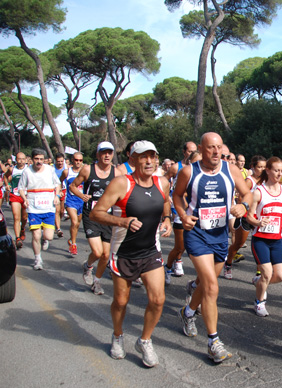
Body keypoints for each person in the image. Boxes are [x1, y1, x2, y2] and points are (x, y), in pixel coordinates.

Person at [90, 140, 172, 368]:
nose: (148, 161)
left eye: (152, 156)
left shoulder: (162, 182)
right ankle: (117, 335)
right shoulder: (120, 183)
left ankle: (144, 340)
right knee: (120, 301)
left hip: (150, 250)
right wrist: (121, 221)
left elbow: (165, 203)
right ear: (133, 159)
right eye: (142, 156)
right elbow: (96, 213)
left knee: (158, 300)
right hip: (123, 252)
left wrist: (167, 219)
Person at [173, 132, 251, 363]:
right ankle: (213, 342)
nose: (216, 152)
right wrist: (181, 215)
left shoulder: (231, 170)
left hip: (220, 236)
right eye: (211, 148)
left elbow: (247, 193)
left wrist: (243, 205)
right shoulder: (189, 171)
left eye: (219, 148)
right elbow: (177, 196)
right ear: (201, 148)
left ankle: (187, 313)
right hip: (197, 234)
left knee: (207, 286)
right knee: (211, 286)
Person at [70, 141, 123, 295]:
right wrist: (82, 196)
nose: (107, 155)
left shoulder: (117, 173)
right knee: (98, 252)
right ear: (98, 154)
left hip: (108, 217)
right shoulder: (88, 170)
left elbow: (124, 191)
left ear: (113, 155)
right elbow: (73, 186)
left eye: (109, 152)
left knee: (106, 255)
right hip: (91, 215)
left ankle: (97, 281)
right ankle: (88, 266)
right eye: (103, 152)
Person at [246, 157, 282, 317]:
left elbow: (280, 212)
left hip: (277, 240)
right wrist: (258, 221)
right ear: (268, 170)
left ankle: (259, 284)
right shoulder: (259, 192)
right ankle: (259, 303)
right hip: (260, 240)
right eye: (276, 170)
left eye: (281, 171)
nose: (279, 174)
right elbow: (249, 216)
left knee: (280, 276)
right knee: (266, 273)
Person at [221, 155, 266, 280]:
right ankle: (228, 264)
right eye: (259, 167)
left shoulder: (266, 181)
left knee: (259, 243)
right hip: (247, 216)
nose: (262, 169)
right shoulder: (249, 181)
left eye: (264, 167)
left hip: (259, 217)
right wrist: (248, 207)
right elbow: (241, 198)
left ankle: (259, 272)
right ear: (252, 167)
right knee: (239, 244)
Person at [18, 149, 61, 270]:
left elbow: (57, 184)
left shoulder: (50, 170)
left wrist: (57, 196)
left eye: (41, 159)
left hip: (48, 207)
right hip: (33, 207)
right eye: (37, 159)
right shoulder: (27, 172)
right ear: (32, 159)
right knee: (35, 236)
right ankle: (37, 259)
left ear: (44, 160)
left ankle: (45, 238)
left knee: (49, 236)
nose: (39, 162)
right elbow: (21, 188)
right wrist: (24, 199)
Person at [164, 141, 198, 280]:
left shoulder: (205, 172)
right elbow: (164, 182)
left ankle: (200, 279)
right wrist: (167, 196)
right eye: (190, 151)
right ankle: (168, 267)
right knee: (180, 246)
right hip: (181, 211)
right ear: (185, 153)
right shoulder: (178, 168)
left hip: (197, 213)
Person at [60, 152, 85, 256]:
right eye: (76, 160)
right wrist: (60, 190)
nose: (78, 162)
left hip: (82, 201)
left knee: (77, 224)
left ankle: (71, 239)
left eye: (80, 160)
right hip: (71, 201)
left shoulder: (85, 171)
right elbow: (59, 181)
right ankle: (73, 245)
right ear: (72, 160)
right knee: (74, 222)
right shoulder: (67, 172)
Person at [3, 152, 28, 249]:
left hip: (25, 195)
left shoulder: (28, 169)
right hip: (15, 195)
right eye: (19, 159)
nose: (21, 161)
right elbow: (5, 176)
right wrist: (7, 185)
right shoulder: (12, 169)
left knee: (24, 218)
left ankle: (22, 229)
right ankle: (17, 238)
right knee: (16, 217)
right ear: (16, 160)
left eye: (23, 159)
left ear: (25, 160)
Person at [53, 153, 66, 238]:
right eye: (58, 161)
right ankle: (58, 228)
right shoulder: (52, 169)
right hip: (55, 190)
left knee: (61, 211)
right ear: (55, 161)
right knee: (57, 210)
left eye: (61, 161)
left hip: (64, 190)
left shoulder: (66, 168)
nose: (60, 163)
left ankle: (57, 222)